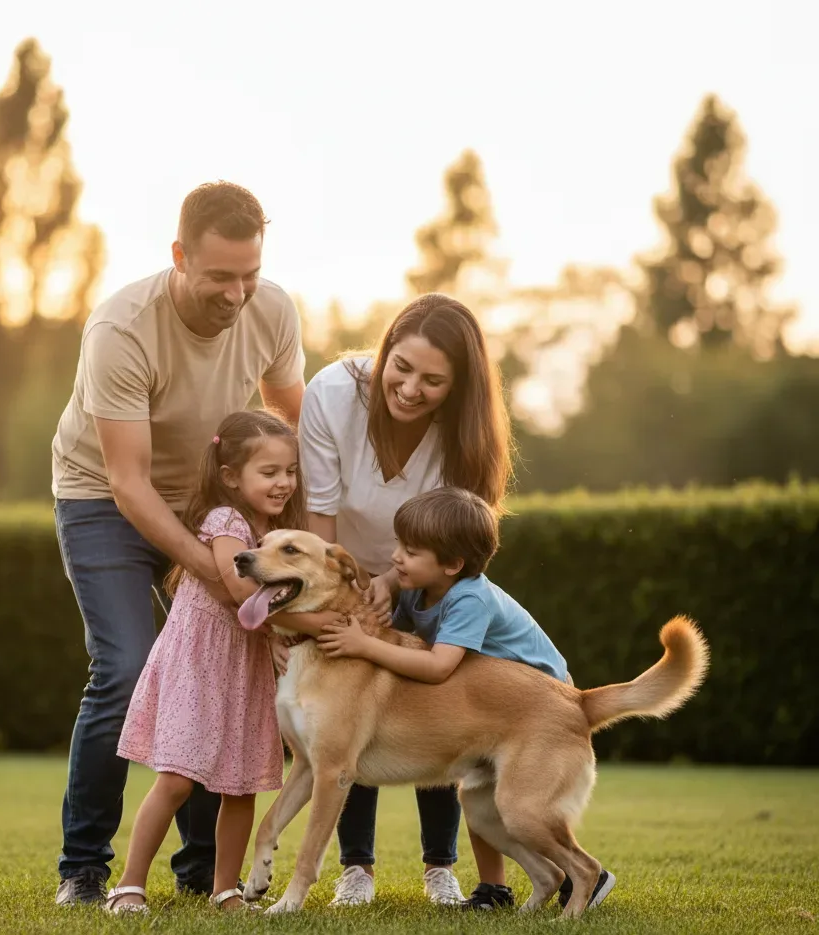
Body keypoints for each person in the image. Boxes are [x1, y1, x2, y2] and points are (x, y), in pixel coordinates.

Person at [51, 182, 306, 906]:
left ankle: (202, 874)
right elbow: (128, 482)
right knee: (126, 665)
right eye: (220, 276)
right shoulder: (122, 329)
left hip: (213, 501)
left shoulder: (272, 309)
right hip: (102, 498)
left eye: (249, 274)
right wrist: (217, 572)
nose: (236, 294)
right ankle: (84, 868)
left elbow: (296, 432)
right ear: (179, 256)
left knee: (229, 674)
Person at [290, 293, 513, 907]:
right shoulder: (333, 394)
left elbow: (461, 533)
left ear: (459, 386)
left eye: (433, 381)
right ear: (385, 351)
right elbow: (320, 520)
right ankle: (355, 869)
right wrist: (343, 601)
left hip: (425, 577)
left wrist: (393, 583)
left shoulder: (465, 436)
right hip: (342, 570)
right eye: (402, 368)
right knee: (349, 713)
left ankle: (440, 866)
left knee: (432, 714)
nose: (411, 389)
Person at [318, 487, 617, 913]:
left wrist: (363, 645)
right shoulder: (420, 588)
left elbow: (437, 667)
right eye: (399, 545)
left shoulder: (469, 597)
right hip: (494, 702)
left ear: (453, 564)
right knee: (481, 810)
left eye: (411, 551)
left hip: (537, 705)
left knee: (522, 812)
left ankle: (584, 874)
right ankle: (543, 879)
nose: (396, 558)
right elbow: (399, 642)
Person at [103, 410, 307, 914]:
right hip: (199, 665)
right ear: (231, 477)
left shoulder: (279, 531)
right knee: (177, 778)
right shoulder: (226, 522)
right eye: (269, 472)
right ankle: (128, 885)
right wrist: (301, 621)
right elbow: (239, 589)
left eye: (290, 471)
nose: (284, 483)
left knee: (242, 785)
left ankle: (225, 889)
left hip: (246, 671)